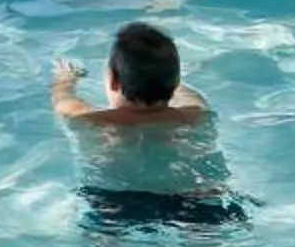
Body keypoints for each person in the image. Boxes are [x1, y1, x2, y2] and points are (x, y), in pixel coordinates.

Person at [53, 22, 242, 227]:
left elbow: (63, 101)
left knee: (108, 246)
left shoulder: (90, 121)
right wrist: (162, 77)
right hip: (194, 197)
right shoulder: (196, 115)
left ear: (114, 82)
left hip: (116, 201)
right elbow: (190, 96)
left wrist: (65, 80)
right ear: (176, 81)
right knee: (207, 243)